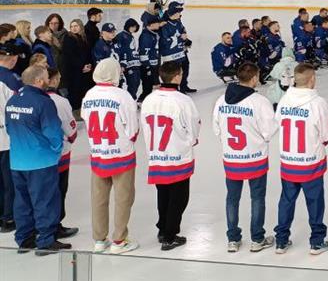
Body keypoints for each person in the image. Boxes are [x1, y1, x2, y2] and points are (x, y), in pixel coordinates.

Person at [214, 62, 277, 253]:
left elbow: (216, 128)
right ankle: (257, 239)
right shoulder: (259, 102)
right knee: (257, 198)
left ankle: (233, 239)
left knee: (232, 199)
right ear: (254, 78)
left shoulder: (221, 100)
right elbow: (269, 131)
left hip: (232, 158)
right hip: (255, 158)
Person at [274, 63, 328, 255]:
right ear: (312, 79)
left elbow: (277, 123)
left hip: (288, 161)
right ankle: (317, 242)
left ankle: (281, 241)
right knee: (315, 201)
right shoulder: (318, 103)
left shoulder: (284, 100)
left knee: (286, 201)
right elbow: (327, 134)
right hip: (310, 162)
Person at [6, 64, 68, 255]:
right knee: (45, 200)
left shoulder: (13, 100)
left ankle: (25, 238)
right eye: (46, 77)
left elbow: (9, 128)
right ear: (39, 81)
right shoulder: (43, 102)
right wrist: (56, 150)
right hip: (41, 161)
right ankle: (46, 240)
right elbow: (53, 131)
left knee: (22, 200)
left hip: (17, 160)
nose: (49, 80)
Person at [81, 59, 140, 254]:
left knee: (98, 198)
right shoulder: (123, 96)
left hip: (98, 153)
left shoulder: (89, 95)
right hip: (121, 154)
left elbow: (86, 120)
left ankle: (99, 239)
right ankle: (119, 240)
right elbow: (132, 129)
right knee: (123, 198)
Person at [140, 60, 200, 252]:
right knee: (179, 197)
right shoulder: (183, 100)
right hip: (177, 155)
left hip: (157, 155)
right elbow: (193, 126)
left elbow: (144, 125)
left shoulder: (149, 99)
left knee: (163, 193)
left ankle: (162, 228)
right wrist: (191, 140)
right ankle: (170, 235)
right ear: (177, 77)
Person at [45, 69, 78, 242]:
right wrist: (71, 137)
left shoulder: (28, 98)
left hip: (36, 155)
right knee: (58, 190)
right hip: (59, 154)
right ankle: (55, 226)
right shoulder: (60, 101)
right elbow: (71, 130)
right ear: (52, 80)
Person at [0, 43, 20, 233]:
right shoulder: (10, 79)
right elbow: (16, 109)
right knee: (9, 180)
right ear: (13, 58)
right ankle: (8, 217)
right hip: (6, 137)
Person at [59, 19, 94, 109]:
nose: (73, 28)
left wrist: (89, 64)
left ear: (80, 26)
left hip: (84, 70)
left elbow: (88, 53)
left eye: (76, 26)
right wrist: (82, 66)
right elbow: (70, 56)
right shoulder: (68, 38)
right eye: (71, 26)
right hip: (73, 71)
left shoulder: (83, 38)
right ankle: (74, 109)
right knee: (75, 92)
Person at [112, 19, 141, 100]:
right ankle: (129, 100)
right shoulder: (121, 36)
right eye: (132, 26)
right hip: (127, 64)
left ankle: (131, 99)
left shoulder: (130, 35)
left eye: (135, 27)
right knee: (132, 82)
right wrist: (122, 64)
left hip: (134, 63)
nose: (134, 28)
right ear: (128, 26)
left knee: (136, 82)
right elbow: (119, 50)